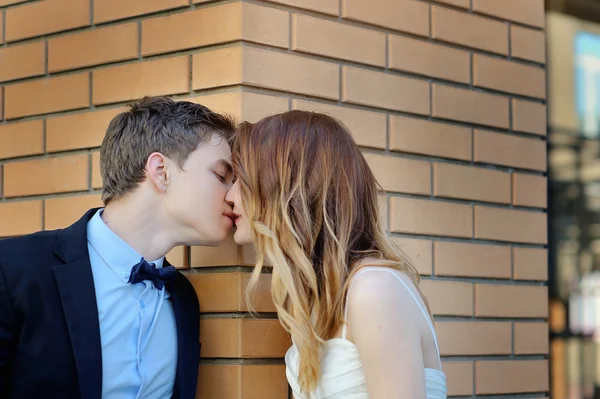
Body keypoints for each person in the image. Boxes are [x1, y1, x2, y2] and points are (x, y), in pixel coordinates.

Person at [0, 96, 237, 399]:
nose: (233, 195)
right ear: (161, 171)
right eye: (221, 176)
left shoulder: (184, 299)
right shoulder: (13, 271)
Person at [225, 111, 447, 398]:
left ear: (289, 186)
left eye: (240, 178)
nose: (229, 196)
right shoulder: (320, 300)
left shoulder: (374, 288)